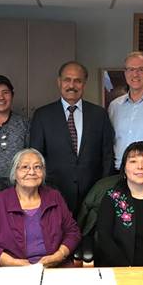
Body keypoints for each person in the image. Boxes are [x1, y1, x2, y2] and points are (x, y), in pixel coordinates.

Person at [0, 148, 81, 267]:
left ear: (43, 173)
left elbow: (73, 232)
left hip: (55, 268)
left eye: (37, 167)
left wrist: (60, 255)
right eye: (25, 167)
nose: (32, 172)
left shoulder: (54, 196)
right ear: (14, 173)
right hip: (13, 271)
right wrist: (11, 262)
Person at [29, 61, 113, 216]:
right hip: (53, 194)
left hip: (92, 196)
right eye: (67, 80)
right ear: (59, 82)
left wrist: (103, 189)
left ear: (84, 84)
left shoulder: (99, 115)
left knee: (89, 238)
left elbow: (107, 155)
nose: (72, 85)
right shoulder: (42, 115)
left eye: (77, 80)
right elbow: (36, 157)